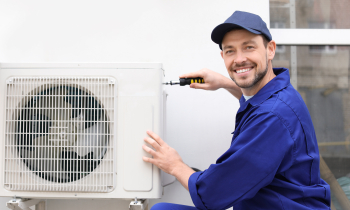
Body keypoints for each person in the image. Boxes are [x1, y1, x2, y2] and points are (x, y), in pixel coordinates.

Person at [142, 11, 331, 210]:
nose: (239, 59)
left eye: (249, 47)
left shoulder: (273, 117)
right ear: (222, 56)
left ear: (270, 49)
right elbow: (257, 103)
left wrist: (175, 165)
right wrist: (226, 83)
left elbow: (212, 194)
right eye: (230, 51)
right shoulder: (280, 91)